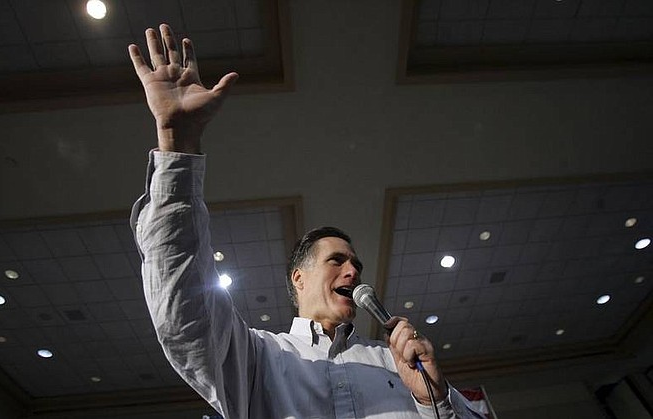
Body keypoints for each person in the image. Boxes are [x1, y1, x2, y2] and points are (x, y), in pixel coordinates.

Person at [129, 24, 486, 419]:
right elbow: (184, 305)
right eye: (337, 260)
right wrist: (178, 141)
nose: (353, 270)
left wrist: (432, 399)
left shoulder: (397, 362)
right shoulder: (257, 357)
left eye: (356, 264)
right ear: (298, 278)